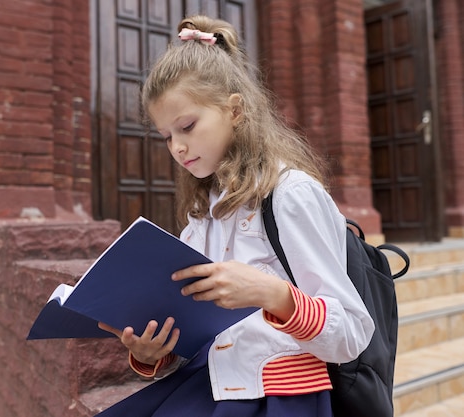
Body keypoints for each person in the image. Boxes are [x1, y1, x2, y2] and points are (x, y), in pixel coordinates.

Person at [96, 15, 375, 417]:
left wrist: (271, 293)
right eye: (167, 136)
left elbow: (351, 333)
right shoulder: (201, 218)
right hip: (210, 385)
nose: (177, 146)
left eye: (187, 126)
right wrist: (153, 351)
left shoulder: (290, 194)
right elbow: (198, 340)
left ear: (236, 110)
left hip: (281, 398)